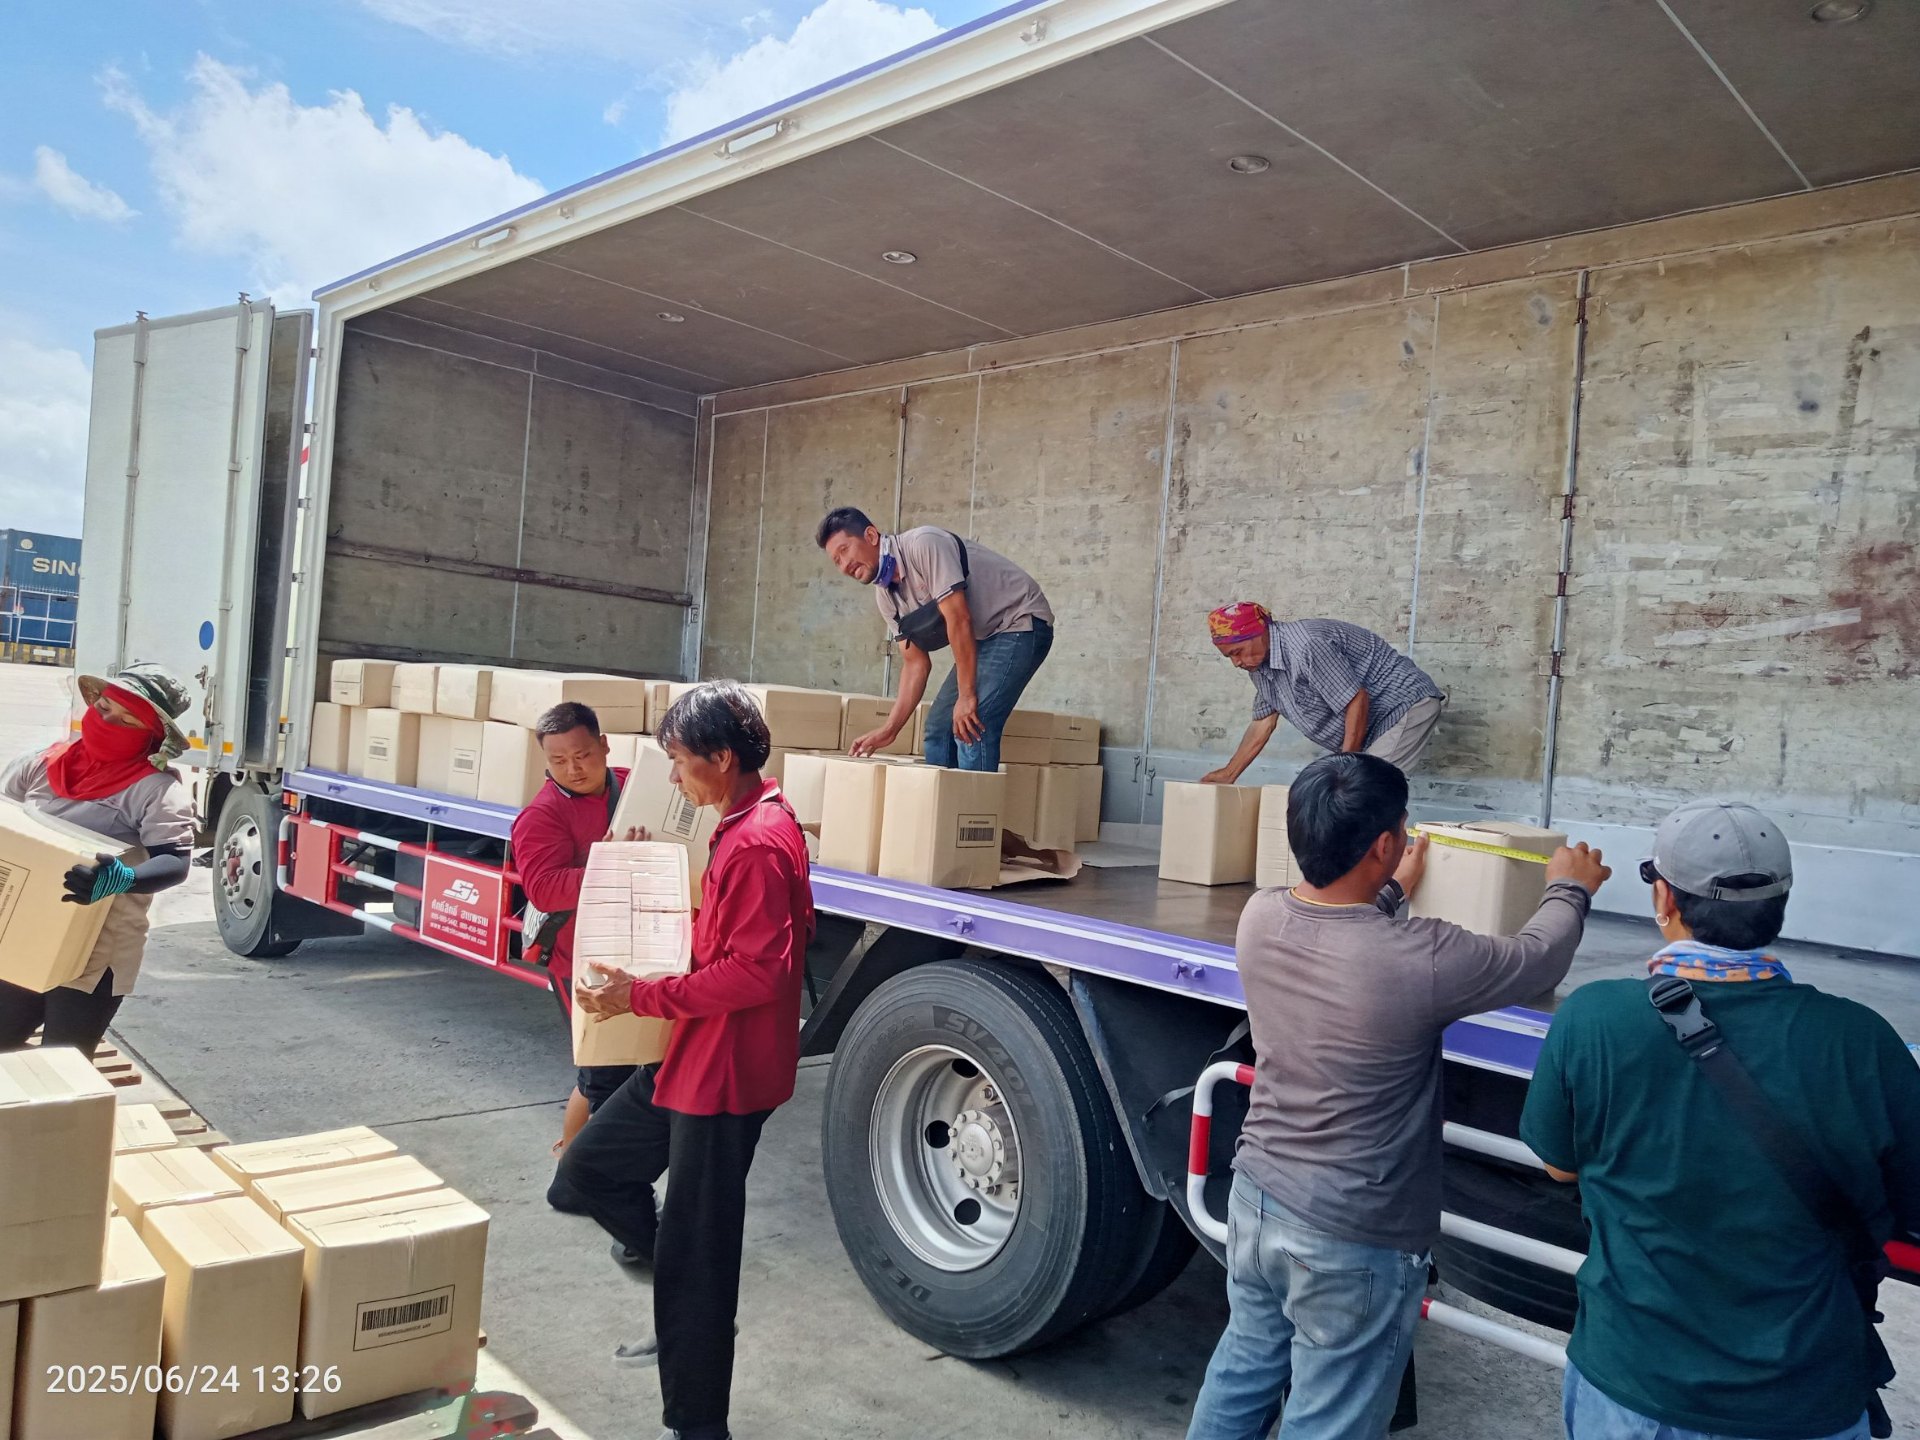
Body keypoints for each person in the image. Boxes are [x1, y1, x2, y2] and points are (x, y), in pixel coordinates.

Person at [1187, 752, 1610, 1440]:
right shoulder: (1423, 957)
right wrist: (1570, 888)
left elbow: (1342, 933)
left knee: (1244, 1366)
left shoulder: (1260, 916)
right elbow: (1538, 958)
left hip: (1257, 1197)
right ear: (1383, 845)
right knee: (1329, 1417)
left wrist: (1388, 890)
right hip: (1350, 1234)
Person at [1520, 799, 1920, 1440]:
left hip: (1635, 1383)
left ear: (1664, 900)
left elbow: (1560, 1165)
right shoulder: (1863, 1040)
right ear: (1780, 904)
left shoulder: (1594, 1018)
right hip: (1805, 1394)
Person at [566, 681, 814, 1440]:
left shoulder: (758, 842)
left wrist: (638, 997)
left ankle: (699, 1422)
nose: (673, 778)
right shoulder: (746, 820)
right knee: (586, 1172)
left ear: (723, 757)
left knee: (697, 1260)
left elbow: (757, 973)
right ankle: (683, 1300)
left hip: (725, 1076)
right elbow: (723, 936)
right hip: (693, 1058)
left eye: (678, 761)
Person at [0, 663, 195, 1053]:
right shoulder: (41, 764)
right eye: (104, 708)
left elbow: (175, 861)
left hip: (96, 945)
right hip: (26, 931)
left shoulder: (156, 791)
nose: (107, 722)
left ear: (151, 735)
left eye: (126, 720)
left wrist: (123, 879)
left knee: (62, 1062)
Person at [815, 507, 1053, 771]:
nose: (844, 565)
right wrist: (889, 730)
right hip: (985, 637)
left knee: (971, 724)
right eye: (836, 561)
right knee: (938, 728)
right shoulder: (886, 597)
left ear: (871, 535)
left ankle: (972, 800)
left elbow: (959, 619)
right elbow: (915, 663)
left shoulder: (924, 544)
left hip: (1020, 621)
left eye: (845, 550)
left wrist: (967, 697)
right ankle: (943, 798)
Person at [509, 702, 637, 1161]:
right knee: (601, 1071)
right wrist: (609, 864)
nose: (573, 769)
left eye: (582, 755)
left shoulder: (630, 786)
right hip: (580, 961)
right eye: (558, 761)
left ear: (604, 745)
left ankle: (581, 1165)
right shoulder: (541, 816)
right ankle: (576, 1168)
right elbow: (544, 891)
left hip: (638, 947)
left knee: (630, 1065)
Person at [1201, 604, 1446, 783]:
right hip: (1372, 724)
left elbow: (1356, 700)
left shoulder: (1305, 646)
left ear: (1258, 632)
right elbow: (1262, 723)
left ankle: (1387, 841)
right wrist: (1229, 773)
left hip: (1402, 705)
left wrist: (1345, 765)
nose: (1236, 663)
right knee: (1354, 792)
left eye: (1237, 652)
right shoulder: (1259, 666)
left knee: (1365, 788)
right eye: (1229, 656)